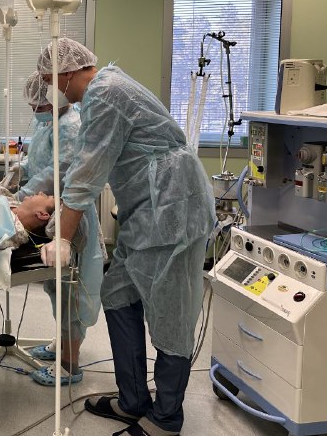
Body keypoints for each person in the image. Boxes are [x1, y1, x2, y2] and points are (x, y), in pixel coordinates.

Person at [37, 38, 215, 436]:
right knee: (116, 292)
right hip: (145, 213)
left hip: (172, 213)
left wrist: (62, 238)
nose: (51, 91)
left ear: (65, 73)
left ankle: (166, 418)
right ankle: (133, 400)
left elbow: (88, 173)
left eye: (50, 81)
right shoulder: (104, 91)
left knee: (170, 315)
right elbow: (81, 164)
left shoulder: (106, 94)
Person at [12, 72, 103, 386]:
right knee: (55, 286)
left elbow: (59, 171)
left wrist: (24, 195)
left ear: (55, 99)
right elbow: (38, 161)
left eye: (39, 106)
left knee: (71, 290)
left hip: (70, 213)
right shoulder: (48, 124)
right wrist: (19, 170)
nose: (35, 111)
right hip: (51, 211)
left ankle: (70, 364)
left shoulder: (71, 126)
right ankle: (61, 344)